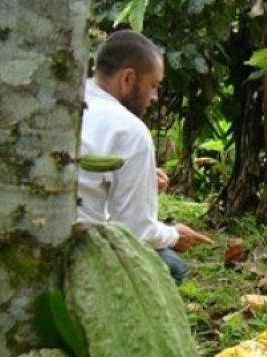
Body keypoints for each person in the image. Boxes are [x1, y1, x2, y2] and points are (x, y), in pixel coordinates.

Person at [77, 30, 213, 284]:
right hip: (80, 253)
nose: (155, 97)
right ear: (128, 78)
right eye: (153, 85)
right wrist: (174, 235)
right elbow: (134, 231)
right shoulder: (130, 130)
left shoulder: (67, 100)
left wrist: (144, 176)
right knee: (172, 266)